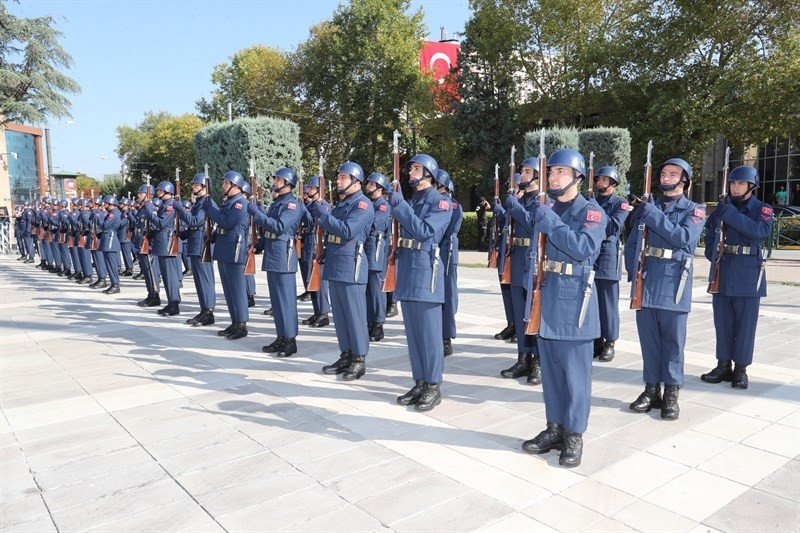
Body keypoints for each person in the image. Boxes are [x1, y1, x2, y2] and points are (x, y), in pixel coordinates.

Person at [512, 148, 607, 468]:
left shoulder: (591, 212)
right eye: (550, 172)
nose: (553, 177)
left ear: (578, 177)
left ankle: (574, 434)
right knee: (551, 372)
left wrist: (550, 221)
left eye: (560, 172)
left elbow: (582, 249)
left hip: (573, 302)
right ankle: (554, 427)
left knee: (575, 377)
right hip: (547, 297)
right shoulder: (546, 208)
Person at [624, 157, 705, 421]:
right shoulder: (649, 207)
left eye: (673, 174)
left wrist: (654, 215)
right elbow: (633, 241)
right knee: (649, 340)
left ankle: (671, 392)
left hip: (673, 283)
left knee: (672, 342)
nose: (666, 177)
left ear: (685, 180)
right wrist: (632, 271)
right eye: (664, 173)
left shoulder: (695, 210)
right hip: (646, 281)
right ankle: (651, 389)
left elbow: (683, 239)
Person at [389, 154, 451, 411]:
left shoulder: (442, 203)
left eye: (416, 169)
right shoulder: (413, 201)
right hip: (408, 271)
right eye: (411, 168)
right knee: (414, 335)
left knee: (430, 335)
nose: (411, 172)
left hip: (426, 273)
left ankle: (433, 385)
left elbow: (425, 232)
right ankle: (420, 381)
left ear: (429, 174)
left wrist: (400, 206)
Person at [702, 166, 773, 389]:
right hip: (723, 271)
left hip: (748, 274)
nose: (735, 187)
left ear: (752, 186)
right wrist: (715, 253)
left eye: (740, 183)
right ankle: (723, 365)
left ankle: (741, 369)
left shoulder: (762, 209)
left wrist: (729, 214)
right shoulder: (720, 211)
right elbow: (709, 244)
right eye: (733, 183)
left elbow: (759, 231)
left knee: (745, 325)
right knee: (723, 323)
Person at [315, 162, 375, 379]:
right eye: (338, 177)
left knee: (354, 315)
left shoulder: (363, 205)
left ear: (355, 181)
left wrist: (325, 216)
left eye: (342, 177)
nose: (338, 181)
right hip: (336, 263)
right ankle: (346, 354)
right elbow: (333, 233)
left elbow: (348, 231)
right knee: (340, 316)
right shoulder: (341, 204)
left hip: (352, 266)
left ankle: (359, 359)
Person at [248, 167, 303, 357]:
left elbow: (279, 227)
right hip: (273, 254)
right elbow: (267, 230)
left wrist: (257, 214)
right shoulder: (276, 204)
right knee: (277, 301)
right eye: (276, 178)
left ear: (288, 183)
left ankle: (290, 340)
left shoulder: (292, 205)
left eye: (279, 179)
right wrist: (259, 245)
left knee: (286, 300)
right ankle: (281, 336)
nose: (275, 182)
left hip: (284, 256)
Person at [204, 171, 250, 340]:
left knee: (237, 290)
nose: (222, 185)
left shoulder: (240, 204)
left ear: (235, 186)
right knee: (228, 290)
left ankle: (242, 324)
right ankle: (234, 321)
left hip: (234, 249)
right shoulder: (229, 202)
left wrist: (210, 209)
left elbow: (226, 221)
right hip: (224, 248)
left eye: (225, 183)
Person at [591, 166, 630, 362]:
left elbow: (613, 227)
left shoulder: (620, 203)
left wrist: (595, 211)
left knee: (607, 302)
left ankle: (610, 342)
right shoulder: (591, 201)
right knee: (593, 300)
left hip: (608, 253)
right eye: (598, 180)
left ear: (613, 183)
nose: (600, 183)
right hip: (591, 252)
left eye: (605, 180)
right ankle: (596, 339)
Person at [174, 172, 217, 327]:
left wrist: (180, 209)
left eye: (196, 184)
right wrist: (181, 233)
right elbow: (192, 226)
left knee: (205, 280)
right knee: (199, 281)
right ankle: (204, 309)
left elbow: (196, 221)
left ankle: (209, 311)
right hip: (195, 245)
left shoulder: (207, 203)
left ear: (204, 187)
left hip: (202, 246)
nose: (193, 186)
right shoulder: (198, 203)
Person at [491, 174, 521, 344]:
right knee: (506, 290)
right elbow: (506, 222)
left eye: (512, 184)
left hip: (517, 251)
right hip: (506, 250)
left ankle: (519, 326)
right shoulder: (511, 201)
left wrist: (502, 210)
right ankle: (511, 323)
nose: (510, 187)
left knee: (517, 293)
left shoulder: (520, 201)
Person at [145, 181, 181, 316]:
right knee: (165, 275)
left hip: (167, 243)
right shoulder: (165, 205)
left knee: (170, 275)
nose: (158, 192)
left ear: (167, 191)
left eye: (160, 190)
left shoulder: (170, 205)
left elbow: (161, 222)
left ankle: (174, 303)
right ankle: (171, 302)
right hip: (161, 243)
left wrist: (149, 210)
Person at [299, 176, 331, 328]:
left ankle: (323, 313)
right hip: (308, 242)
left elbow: (313, 222)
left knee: (319, 281)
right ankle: (317, 311)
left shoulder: (323, 205)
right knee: (309, 280)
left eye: (311, 188)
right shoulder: (311, 205)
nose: (308, 190)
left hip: (316, 244)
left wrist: (302, 209)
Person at [437, 170, 462, 357]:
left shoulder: (452, 205)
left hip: (446, 253)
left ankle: (446, 337)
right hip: (435, 252)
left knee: (447, 296)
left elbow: (447, 230)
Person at [364, 172, 391, 343]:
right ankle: (369, 321)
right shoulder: (368, 204)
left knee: (376, 288)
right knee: (366, 289)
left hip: (376, 248)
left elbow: (375, 224)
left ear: (379, 187)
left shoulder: (383, 205)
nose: (368, 185)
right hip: (365, 248)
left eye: (372, 184)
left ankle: (379, 324)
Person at [98, 195, 124, 294]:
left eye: (106, 203)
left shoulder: (114, 214)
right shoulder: (111, 213)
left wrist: (97, 217)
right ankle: (113, 284)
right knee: (109, 264)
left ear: (111, 204)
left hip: (111, 241)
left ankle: (115, 285)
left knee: (112, 265)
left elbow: (105, 225)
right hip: (108, 240)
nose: (104, 205)